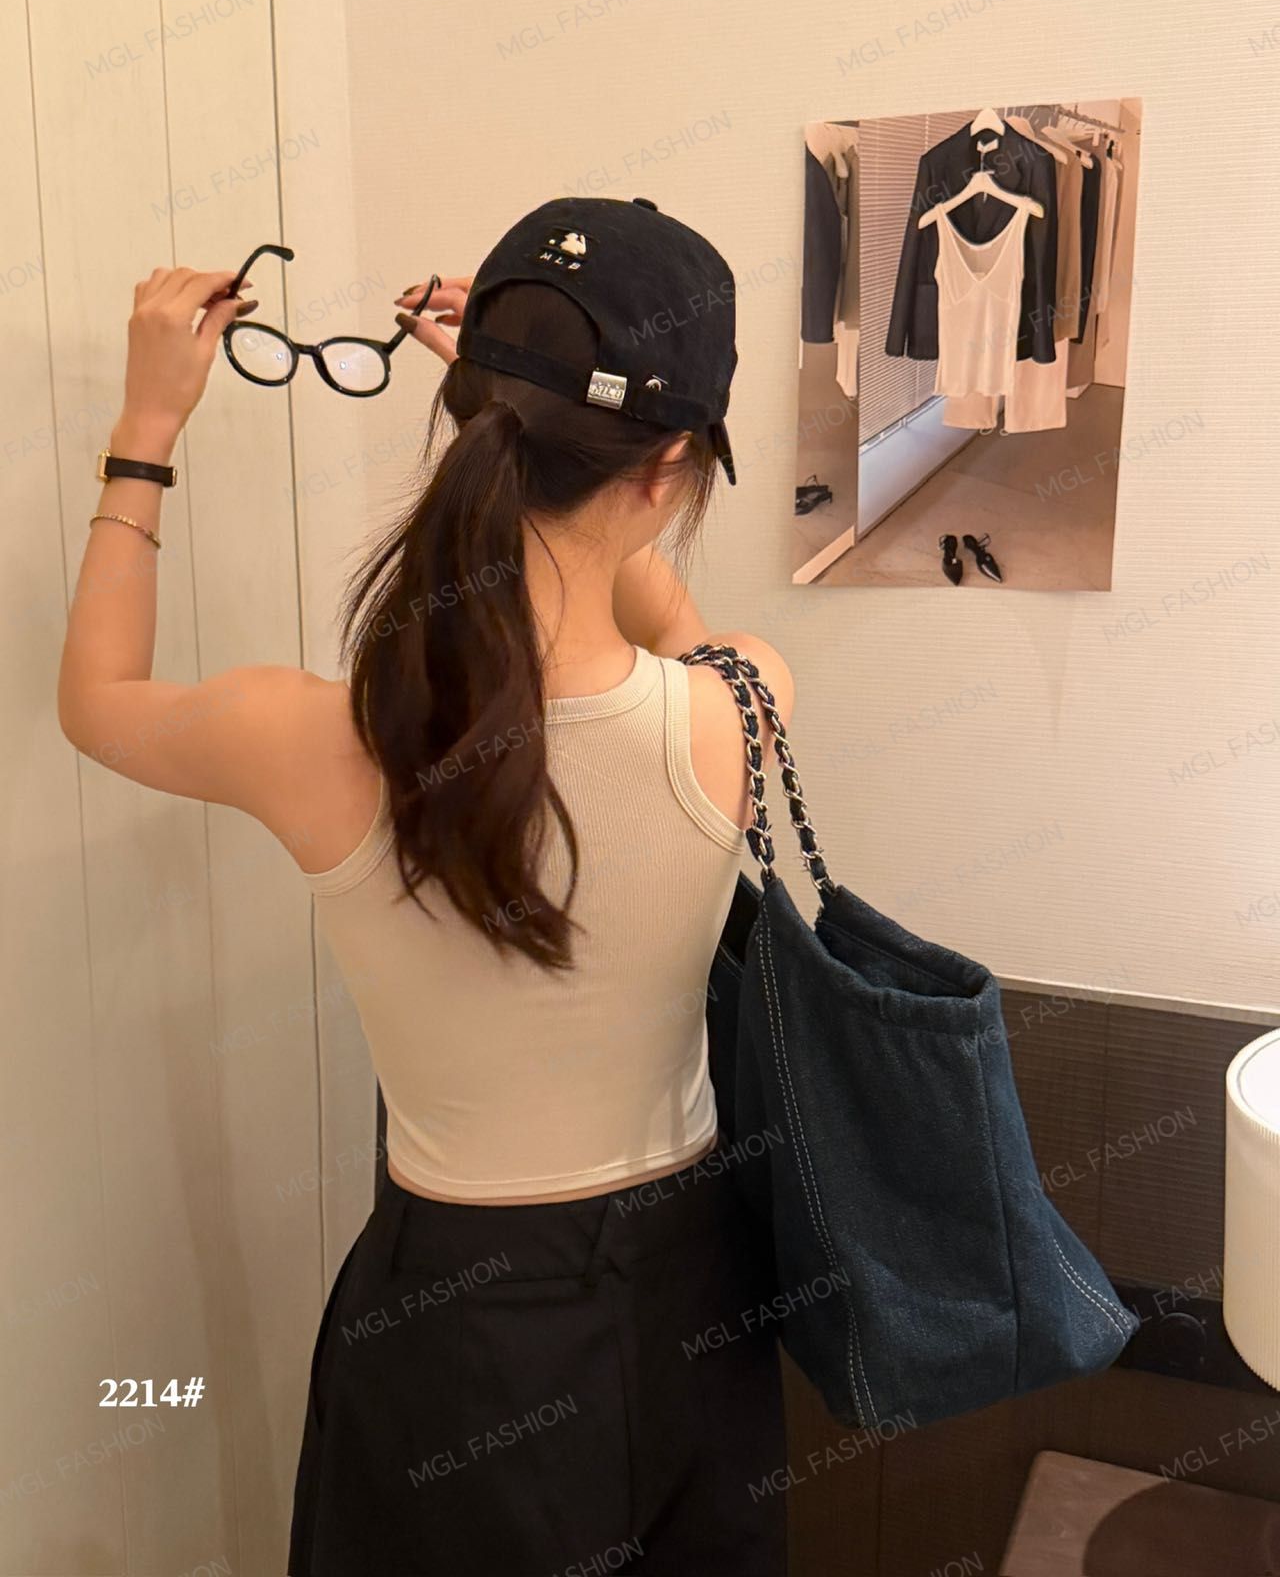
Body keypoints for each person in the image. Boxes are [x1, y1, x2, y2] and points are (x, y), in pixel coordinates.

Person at [57, 196, 794, 1575]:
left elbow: (95, 701)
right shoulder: (740, 705)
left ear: (471, 418)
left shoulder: (306, 737)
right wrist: (528, 419)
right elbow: (663, 619)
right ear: (673, 470)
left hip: (459, 1326)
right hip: (701, 1298)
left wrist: (147, 426)